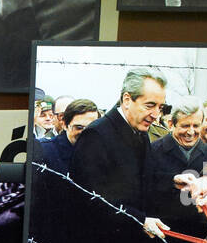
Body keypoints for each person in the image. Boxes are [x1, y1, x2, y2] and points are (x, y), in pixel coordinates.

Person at [70, 68, 168, 222]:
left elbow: (145, 176)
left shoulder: (140, 131)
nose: (156, 115)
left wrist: (174, 180)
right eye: (150, 106)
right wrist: (140, 220)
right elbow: (92, 197)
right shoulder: (96, 136)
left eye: (160, 108)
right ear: (127, 100)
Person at [142, 103, 207, 239]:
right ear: (170, 124)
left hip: (203, 241)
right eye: (185, 126)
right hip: (161, 237)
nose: (191, 132)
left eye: (196, 126)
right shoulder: (151, 151)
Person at [33, 98, 100, 177]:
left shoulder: (102, 152)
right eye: (79, 127)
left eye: (90, 127)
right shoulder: (42, 150)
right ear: (65, 125)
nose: (84, 132)